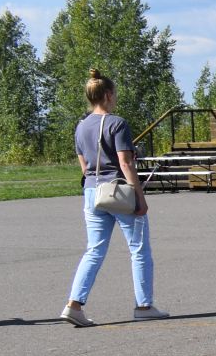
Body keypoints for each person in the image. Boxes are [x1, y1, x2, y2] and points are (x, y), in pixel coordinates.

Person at [61, 68, 166, 327]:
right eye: (114, 94)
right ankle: (144, 304)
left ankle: (74, 304)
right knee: (139, 249)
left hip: (91, 191)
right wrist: (140, 197)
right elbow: (125, 162)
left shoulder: (81, 125)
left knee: (94, 250)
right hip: (117, 190)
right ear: (108, 95)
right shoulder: (117, 123)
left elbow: (83, 164)